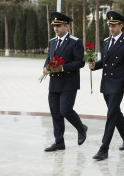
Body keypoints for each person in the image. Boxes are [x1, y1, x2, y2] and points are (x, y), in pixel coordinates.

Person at [89, 11, 124, 161]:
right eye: (109, 25)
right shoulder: (106, 41)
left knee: (110, 115)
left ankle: (104, 148)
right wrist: (94, 65)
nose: (111, 27)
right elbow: (105, 61)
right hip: (106, 84)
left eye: (114, 25)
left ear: (121, 26)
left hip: (118, 85)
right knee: (115, 113)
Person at [43, 11, 87, 152]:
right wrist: (45, 67)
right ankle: (59, 142)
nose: (56, 28)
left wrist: (62, 68)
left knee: (65, 110)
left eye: (59, 25)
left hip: (69, 83)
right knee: (55, 113)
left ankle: (81, 128)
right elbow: (49, 58)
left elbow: (80, 62)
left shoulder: (75, 42)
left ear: (66, 26)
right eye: (54, 26)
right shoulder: (52, 42)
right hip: (54, 83)